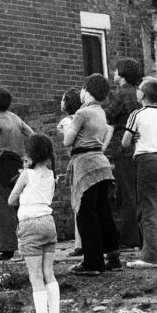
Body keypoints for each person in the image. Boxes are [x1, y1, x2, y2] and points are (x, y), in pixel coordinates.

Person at [62, 73, 120, 275]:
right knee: (103, 211)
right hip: (101, 164)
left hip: (85, 163)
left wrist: (68, 128)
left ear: (86, 90)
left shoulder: (82, 113)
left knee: (86, 214)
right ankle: (113, 258)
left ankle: (93, 262)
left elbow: (67, 141)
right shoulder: (100, 112)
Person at [8, 134, 64, 313]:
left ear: (31, 154)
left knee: (35, 276)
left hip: (30, 225)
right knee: (49, 273)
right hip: (49, 224)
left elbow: (11, 199)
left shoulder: (26, 175)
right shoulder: (51, 175)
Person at [121, 77, 157, 268]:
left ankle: (150, 256)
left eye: (139, 89)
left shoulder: (137, 114)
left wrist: (134, 137)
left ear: (142, 94)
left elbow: (125, 142)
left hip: (147, 160)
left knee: (147, 209)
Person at [0, 87, 35, 261]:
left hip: (1, 164)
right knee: (20, 204)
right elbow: (32, 134)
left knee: (3, 205)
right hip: (17, 163)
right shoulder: (16, 118)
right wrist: (28, 155)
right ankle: (29, 242)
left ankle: (7, 247)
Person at [103, 58, 143, 250]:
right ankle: (142, 237)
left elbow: (106, 118)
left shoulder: (120, 95)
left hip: (124, 149)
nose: (113, 74)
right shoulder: (140, 93)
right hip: (142, 148)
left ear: (123, 74)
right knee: (140, 194)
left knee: (126, 196)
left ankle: (129, 239)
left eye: (116, 71)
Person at [57, 88, 84, 257]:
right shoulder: (85, 118)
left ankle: (80, 243)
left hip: (77, 162)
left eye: (62, 100)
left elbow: (67, 140)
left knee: (77, 201)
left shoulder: (67, 122)